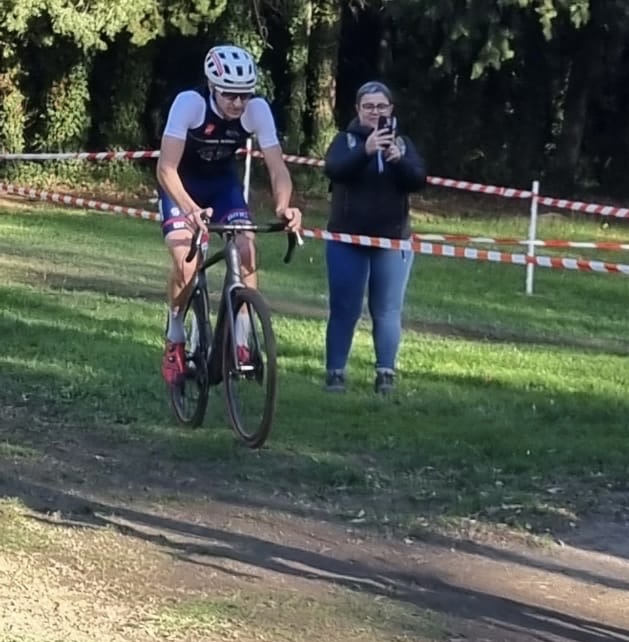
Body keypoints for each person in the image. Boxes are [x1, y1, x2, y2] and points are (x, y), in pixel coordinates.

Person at [156, 44, 302, 386]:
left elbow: (278, 168)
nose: (238, 104)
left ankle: (241, 340)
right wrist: (190, 209)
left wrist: (284, 205)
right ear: (212, 88)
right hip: (181, 186)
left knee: (247, 252)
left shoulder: (257, 110)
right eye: (229, 96)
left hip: (222, 187)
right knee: (187, 264)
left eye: (244, 96)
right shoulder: (189, 104)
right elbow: (165, 168)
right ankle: (175, 332)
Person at [320, 80, 427, 395]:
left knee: (387, 308)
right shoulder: (345, 141)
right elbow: (334, 169)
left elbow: (418, 179)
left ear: (390, 110)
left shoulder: (404, 143)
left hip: (392, 241)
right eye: (369, 106)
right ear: (358, 109)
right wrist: (366, 152)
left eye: (381, 106)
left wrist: (398, 160)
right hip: (347, 239)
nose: (375, 112)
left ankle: (385, 374)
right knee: (345, 308)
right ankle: (336, 374)